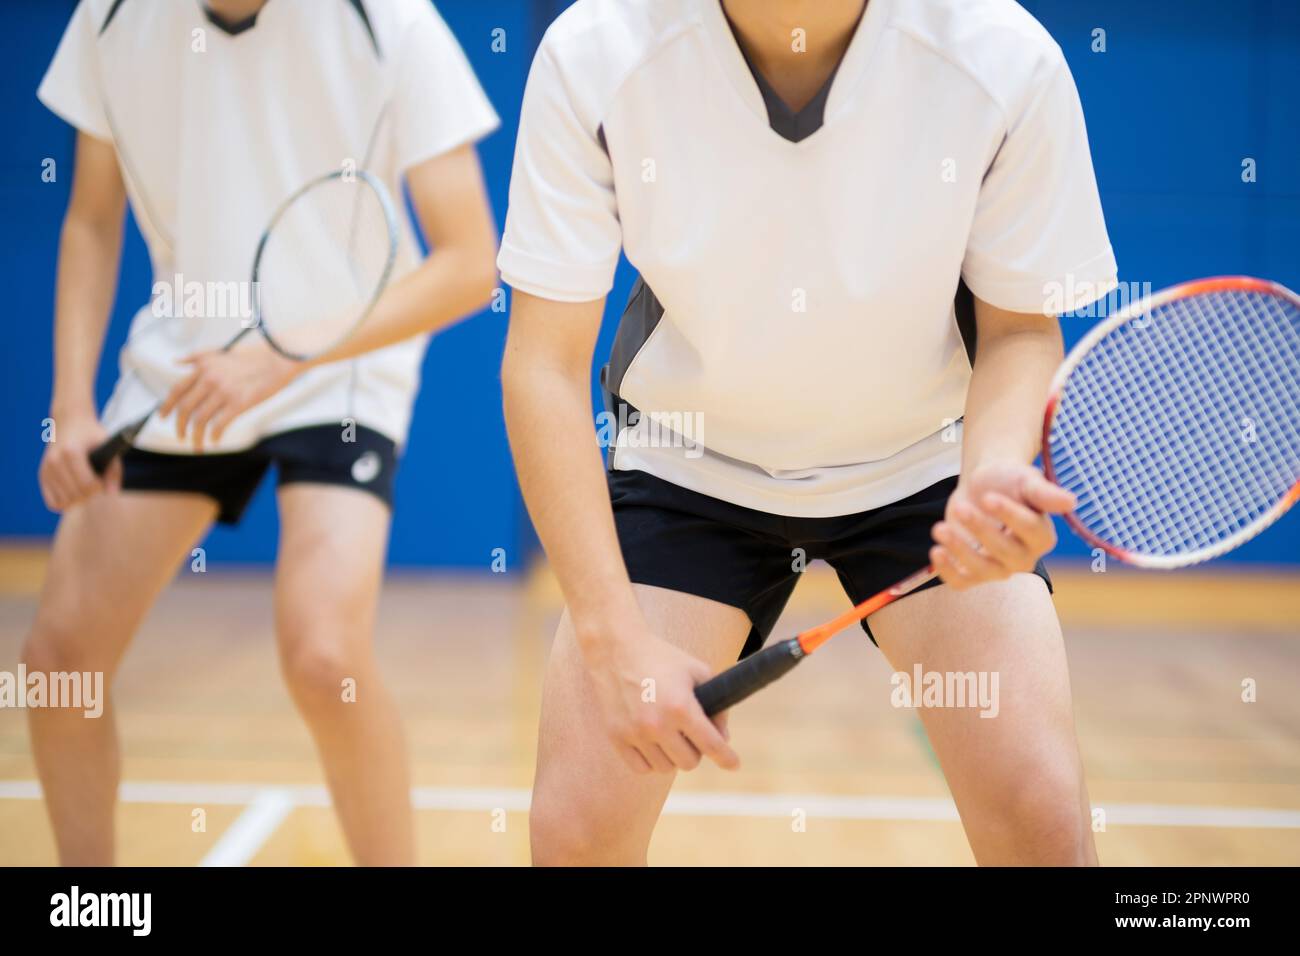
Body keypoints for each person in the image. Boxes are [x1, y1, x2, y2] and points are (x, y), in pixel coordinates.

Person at [500, 0, 1116, 865]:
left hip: (930, 469)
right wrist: (610, 636)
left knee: (1041, 819)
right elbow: (543, 366)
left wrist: (992, 473)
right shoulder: (596, 51)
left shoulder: (1004, 56)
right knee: (576, 830)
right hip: (692, 464)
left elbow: (1018, 331)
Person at [27, 0, 499, 865]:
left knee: (323, 655)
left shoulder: (390, 20)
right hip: (186, 370)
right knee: (60, 660)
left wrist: (289, 357)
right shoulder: (111, 19)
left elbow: (470, 261)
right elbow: (91, 218)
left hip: (340, 368)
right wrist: (73, 406)